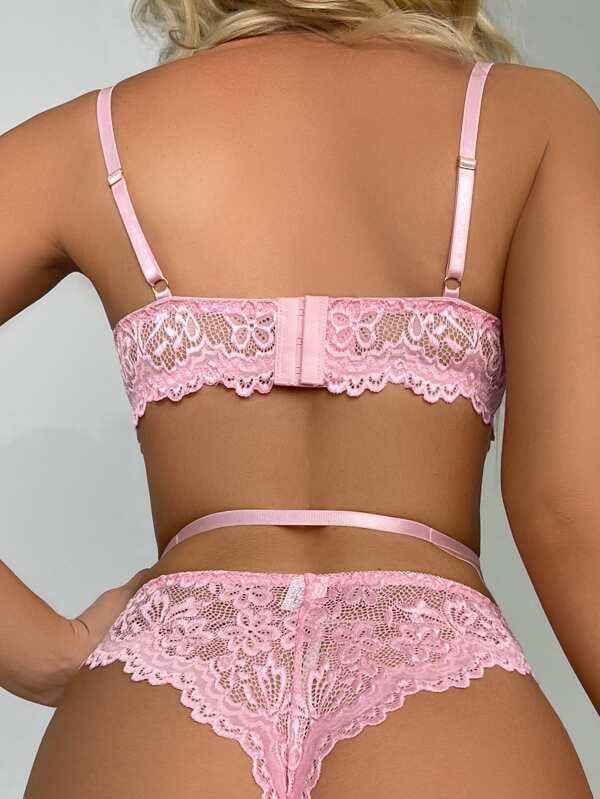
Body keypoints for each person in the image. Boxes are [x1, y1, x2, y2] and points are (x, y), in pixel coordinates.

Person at [1, 2, 598, 797]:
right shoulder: (535, 120)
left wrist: (43, 649)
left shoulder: (94, 140)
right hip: (442, 692)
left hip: (166, 686)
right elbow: (567, 509)